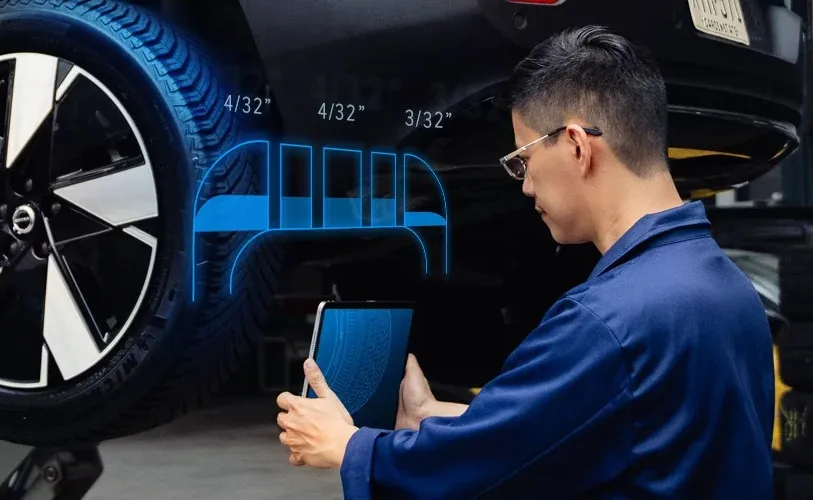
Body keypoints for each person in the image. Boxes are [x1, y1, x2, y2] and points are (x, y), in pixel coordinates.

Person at [275, 25, 775, 499]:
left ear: (577, 146)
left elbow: (482, 472)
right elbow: (575, 427)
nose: (526, 185)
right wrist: (429, 415)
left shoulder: (607, 320)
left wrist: (348, 448)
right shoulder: (725, 286)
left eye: (523, 160)